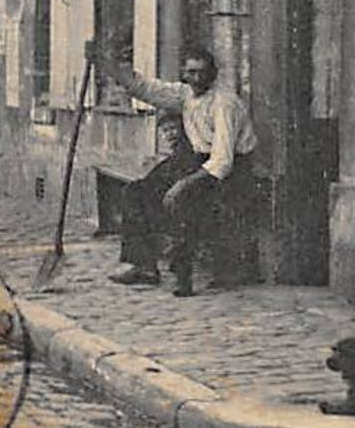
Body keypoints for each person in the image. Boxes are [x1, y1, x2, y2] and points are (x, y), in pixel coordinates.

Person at [91, 42, 259, 295]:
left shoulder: (224, 104)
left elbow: (222, 161)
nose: (196, 78)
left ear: (212, 74)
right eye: (190, 72)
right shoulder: (185, 95)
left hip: (232, 171)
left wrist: (182, 185)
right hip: (195, 159)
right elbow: (145, 88)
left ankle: (184, 277)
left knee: (183, 203)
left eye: (201, 72)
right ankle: (144, 266)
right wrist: (107, 65)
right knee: (136, 192)